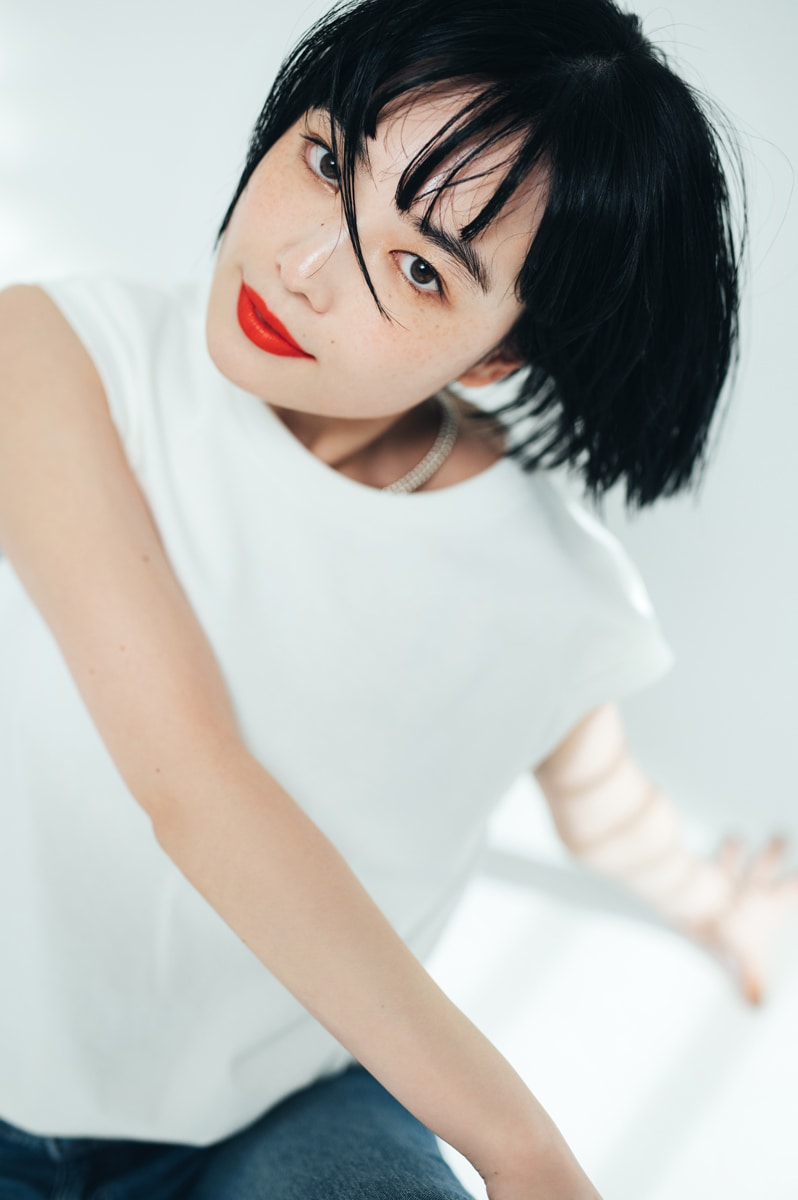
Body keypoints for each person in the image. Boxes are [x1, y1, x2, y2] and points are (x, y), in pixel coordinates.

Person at [0, 0, 795, 1196]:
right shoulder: (52, 357)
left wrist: (715, 905)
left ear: (498, 353)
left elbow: (604, 807)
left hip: (280, 1112)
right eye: (329, 163)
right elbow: (192, 783)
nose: (304, 268)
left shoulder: (550, 588)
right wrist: (524, 1150)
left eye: (420, 268)